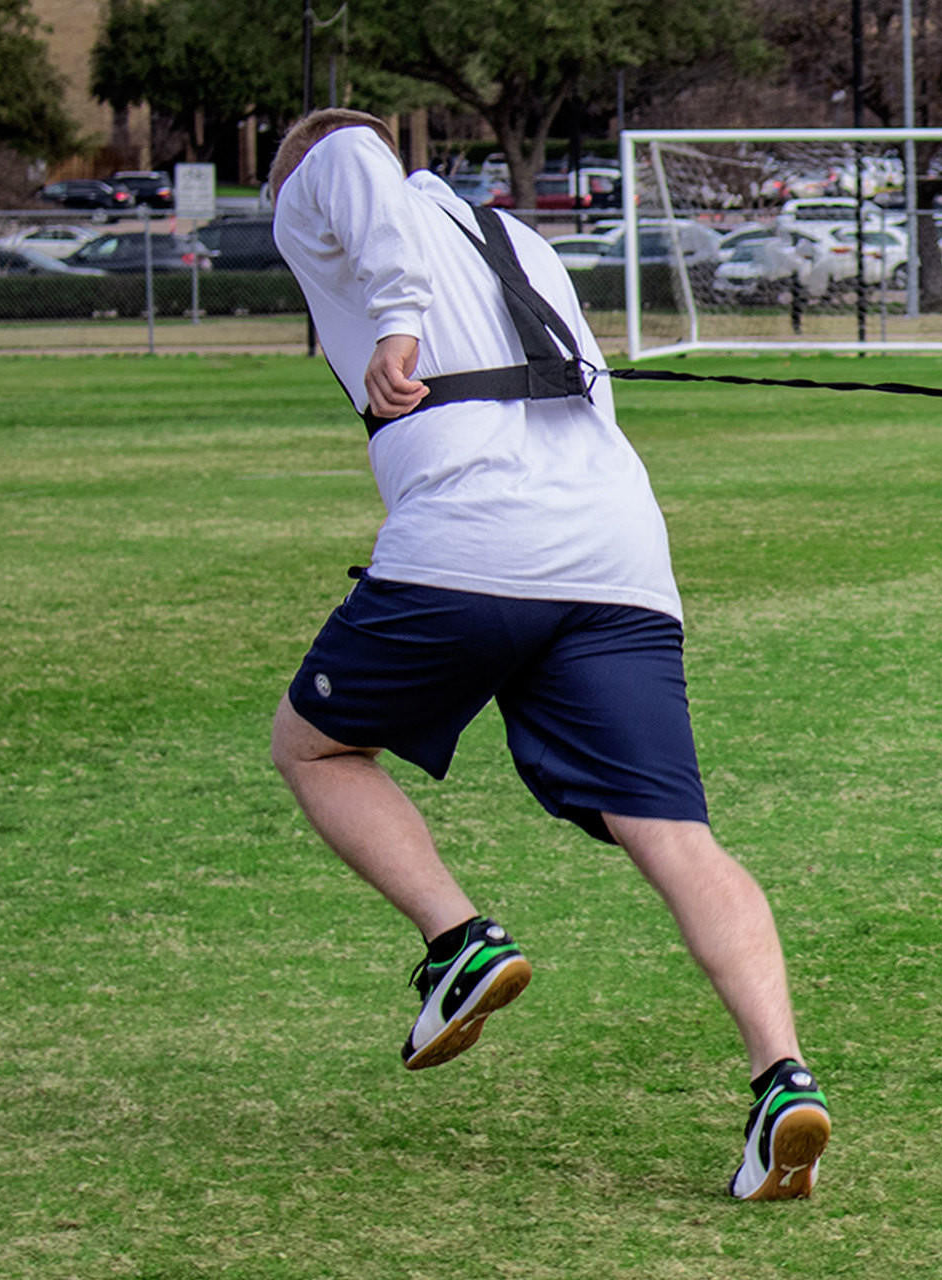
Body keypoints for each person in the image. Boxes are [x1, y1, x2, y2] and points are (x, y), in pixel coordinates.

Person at [266, 108, 830, 1200]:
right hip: (617, 548)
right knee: (676, 837)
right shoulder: (508, 234)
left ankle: (457, 939)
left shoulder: (327, 182)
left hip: (473, 534)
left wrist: (388, 321)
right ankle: (780, 1077)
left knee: (316, 746)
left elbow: (349, 157)